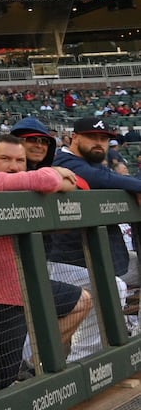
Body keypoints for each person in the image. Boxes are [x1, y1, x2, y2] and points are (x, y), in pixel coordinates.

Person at [0, 136, 89, 397]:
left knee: (82, 301)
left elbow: (81, 187)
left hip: (24, 286)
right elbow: (50, 181)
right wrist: (58, 173)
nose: (13, 166)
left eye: (20, 160)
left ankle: (29, 361)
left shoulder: (22, 189)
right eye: (5, 159)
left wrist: (58, 178)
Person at [51, 116, 141, 359]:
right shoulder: (63, 161)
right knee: (112, 286)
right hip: (65, 264)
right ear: (75, 137)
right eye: (93, 137)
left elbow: (109, 178)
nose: (99, 143)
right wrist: (135, 186)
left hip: (99, 258)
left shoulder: (95, 166)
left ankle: (134, 336)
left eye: (104, 139)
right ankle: (85, 360)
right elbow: (102, 180)